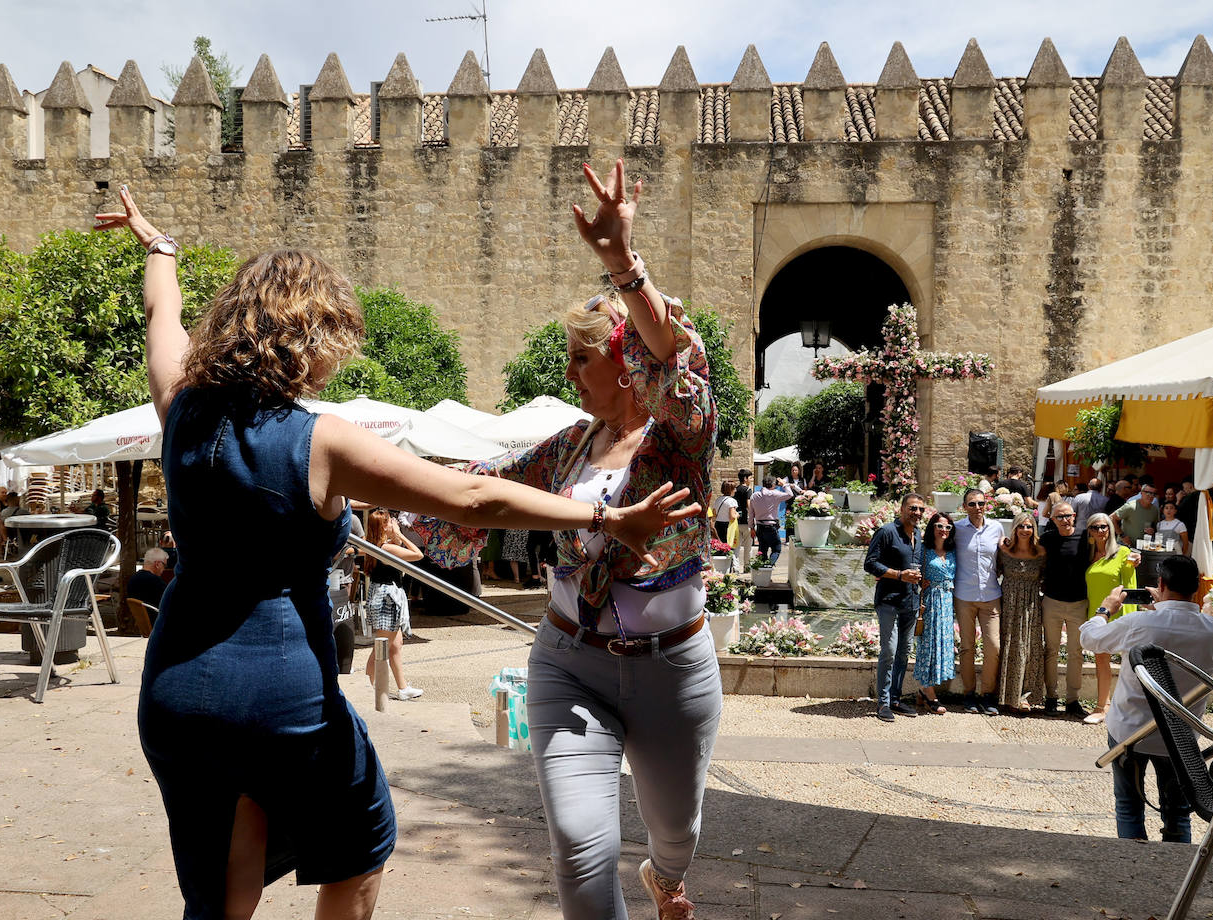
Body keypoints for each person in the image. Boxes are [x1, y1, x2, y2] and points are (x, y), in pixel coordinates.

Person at [96, 178, 695, 920]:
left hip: (178, 689)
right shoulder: (320, 441)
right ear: (310, 338)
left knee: (224, 888)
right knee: (359, 844)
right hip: (283, 692)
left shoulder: (181, 406)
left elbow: (164, 313)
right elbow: (473, 498)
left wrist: (158, 245)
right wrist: (606, 522)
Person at [410, 160, 717, 920]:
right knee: (580, 850)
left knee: (676, 833)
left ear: (623, 361)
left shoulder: (683, 436)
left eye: (582, 356)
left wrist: (621, 264)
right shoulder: (564, 449)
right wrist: (350, 488)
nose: (571, 372)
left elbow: (677, 358)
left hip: (672, 669)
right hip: (567, 661)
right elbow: (473, 490)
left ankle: (667, 879)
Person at [1080, 554, 1213, 842]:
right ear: (1197, 588)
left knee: (1128, 806)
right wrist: (1162, 608)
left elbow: (1089, 639)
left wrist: (1105, 609)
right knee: (1177, 812)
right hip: (1180, 734)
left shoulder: (1139, 622)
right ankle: (1175, 872)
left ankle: (1132, 868)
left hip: (1130, 730)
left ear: (1161, 583)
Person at [864, 493, 928, 723]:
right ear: (902, 509)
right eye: (913, 508)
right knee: (889, 651)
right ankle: (882, 702)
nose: (917, 513)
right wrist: (899, 575)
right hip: (889, 600)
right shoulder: (887, 531)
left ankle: (895, 699)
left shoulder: (919, 535)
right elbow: (870, 564)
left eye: (921, 509)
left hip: (910, 601)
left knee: (903, 652)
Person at [1083, 512, 1140, 726]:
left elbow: (1130, 586)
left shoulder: (1123, 553)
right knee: (1101, 661)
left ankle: (1127, 708)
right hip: (1097, 614)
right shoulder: (1088, 554)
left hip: (1119, 614)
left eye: (1104, 527)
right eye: (1095, 527)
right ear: (1089, 531)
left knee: (1128, 663)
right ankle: (1102, 706)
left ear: (1111, 529)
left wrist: (1130, 617)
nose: (1100, 531)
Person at [363, 509, 424, 701]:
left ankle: (402, 687)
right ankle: (366, 686)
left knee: (395, 644)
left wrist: (396, 536)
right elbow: (417, 555)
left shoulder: (380, 544)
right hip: (386, 596)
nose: (394, 523)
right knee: (381, 646)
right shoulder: (385, 548)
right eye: (390, 521)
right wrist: (400, 535)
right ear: (383, 526)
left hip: (387, 593)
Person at [953, 489, 1004, 715]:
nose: (977, 507)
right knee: (967, 647)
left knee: (993, 647)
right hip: (964, 595)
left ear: (987, 505)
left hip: (991, 595)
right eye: (972, 504)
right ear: (964, 507)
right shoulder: (957, 529)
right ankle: (969, 693)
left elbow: (1003, 556)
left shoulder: (996, 528)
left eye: (981, 503)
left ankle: (988, 693)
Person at [1039, 502, 1092, 716]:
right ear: (1052, 519)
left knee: (1075, 653)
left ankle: (1072, 699)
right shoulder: (1047, 539)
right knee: (1050, 651)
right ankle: (1051, 697)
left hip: (1078, 603)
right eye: (1059, 517)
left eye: (1067, 516)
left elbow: (1106, 552)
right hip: (1052, 601)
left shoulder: (1085, 537)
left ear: (1074, 516)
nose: (1064, 520)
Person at [997, 511, 1046, 712]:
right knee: (1010, 646)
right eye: (1021, 526)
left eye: (1029, 526)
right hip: (1009, 604)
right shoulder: (1003, 550)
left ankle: (1026, 696)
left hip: (1031, 606)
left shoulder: (1041, 552)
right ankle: (1006, 696)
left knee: (1031, 648)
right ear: (1015, 528)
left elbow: (1046, 577)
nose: (1025, 530)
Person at [914, 512, 957, 715]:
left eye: (948, 527)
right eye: (940, 526)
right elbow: (911, 569)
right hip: (930, 601)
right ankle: (928, 691)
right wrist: (919, 581)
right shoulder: (923, 550)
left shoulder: (953, 551)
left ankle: (924, 691)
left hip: (947, 602)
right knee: (929, 644)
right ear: (932, 528)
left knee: (942, 644)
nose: (944, 531)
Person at [750, 476, 793, 564]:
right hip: (771, 526)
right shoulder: (775, 494)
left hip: (760, 526)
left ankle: (762, 571)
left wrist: (752, 527)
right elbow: (790, 494)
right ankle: (769, 565)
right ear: (773, 484)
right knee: (776, 549)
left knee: (762, 549)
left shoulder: (754, 495)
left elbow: (751, 513)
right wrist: (784, 484)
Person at [1112, 482, 1160, 546]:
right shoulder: (1131, 506)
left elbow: (1155, 526)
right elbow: (1112, 518)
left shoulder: (1154, 510)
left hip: (1142, 546)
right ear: (1141, 493)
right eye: (1148, 493)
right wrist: (1122, 535)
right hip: (1124, 545)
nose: (1151, 496)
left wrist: (1152, 531)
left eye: (1153, 494)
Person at [127, 547, 170, 611]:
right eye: (164, 565)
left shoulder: (133, 578)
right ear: (157, 564)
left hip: (142, 619)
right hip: (158, 618)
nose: (164, 569)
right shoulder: (156, 582)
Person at [711, 479, 738, 545]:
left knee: (720, 546)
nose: (735, 490)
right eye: (734, 489)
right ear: (730, 490)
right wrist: (737, 514)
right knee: (728, 547)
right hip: (727, 526)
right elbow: (732, 517)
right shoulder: (732, 501)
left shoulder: (718, 500)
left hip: (718, 524)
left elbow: (714, 515)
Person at [734, 468, 752, 550]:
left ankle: (735, 563)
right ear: (745, 478)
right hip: (745, 520)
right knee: (748, 547)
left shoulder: (735, 490)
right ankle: (747, 563)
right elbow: (748, 505)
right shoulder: (748, 490)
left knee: (736, 547)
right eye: (750, 478)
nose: (751, 480)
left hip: (736, 520)